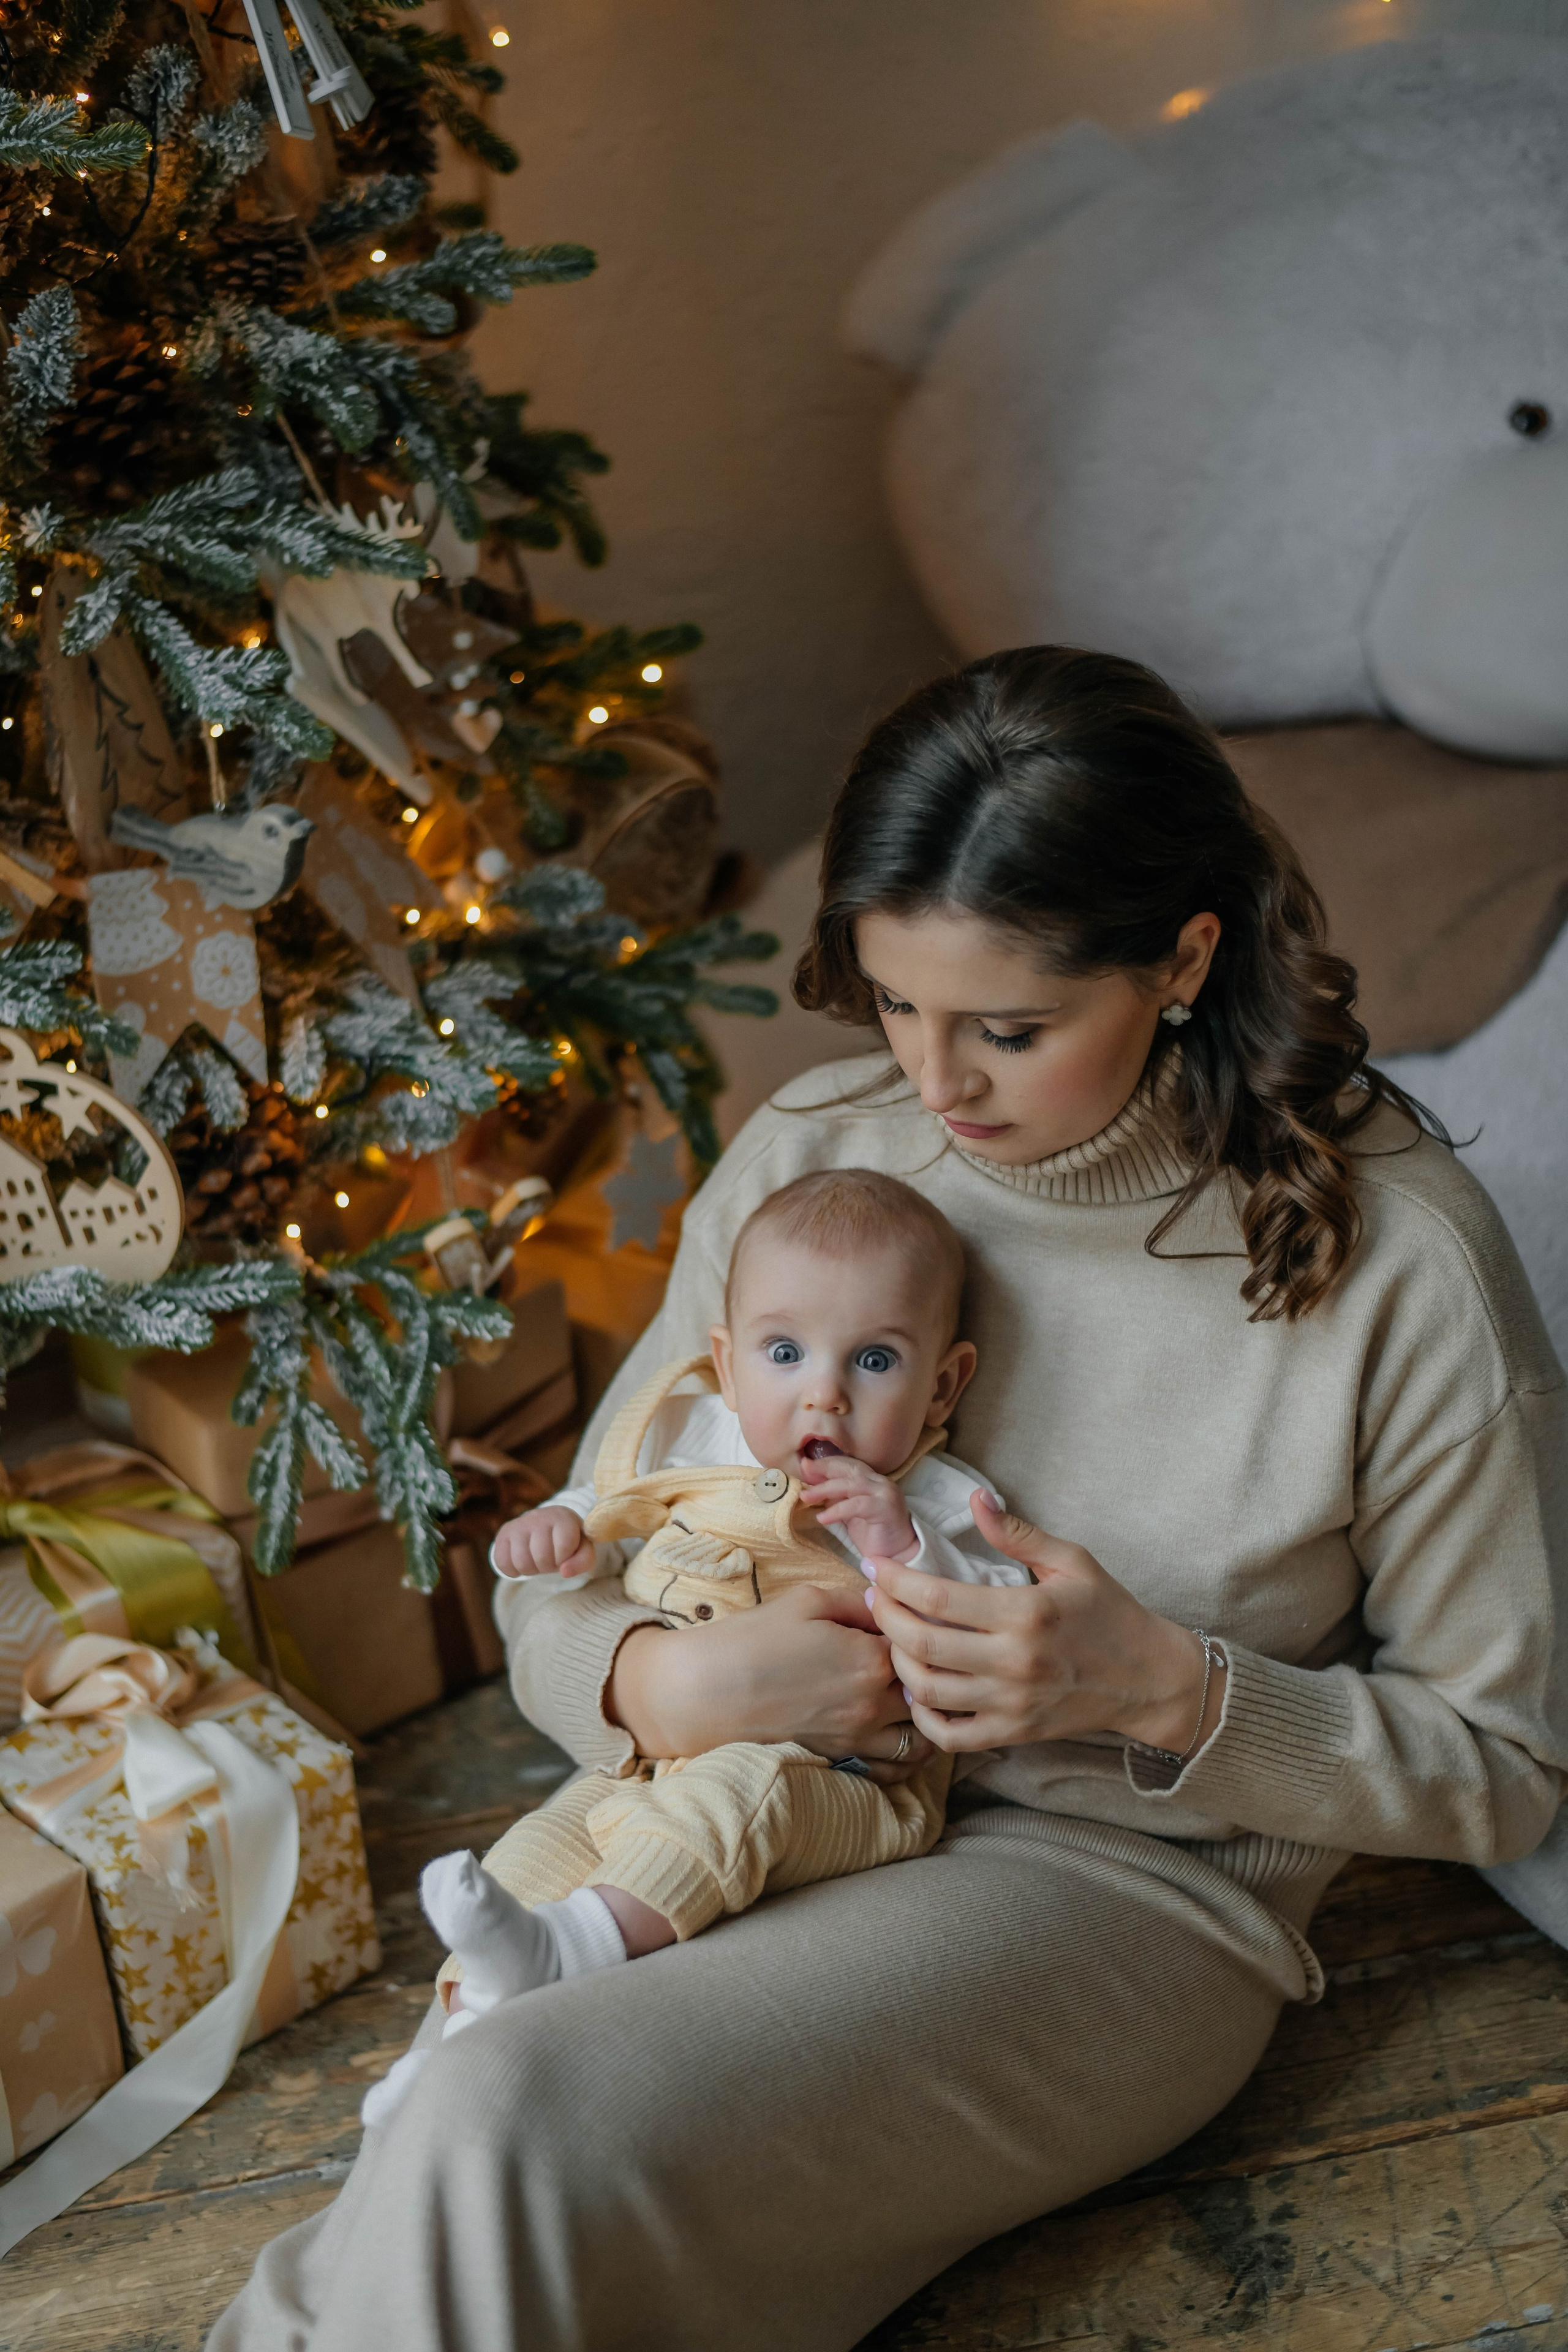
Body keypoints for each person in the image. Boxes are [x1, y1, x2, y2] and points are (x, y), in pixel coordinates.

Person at [209, 646, 1568, 2352]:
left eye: (1008, 1027)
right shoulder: (807, 1165)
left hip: (1111, 1893)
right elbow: (584, 1560)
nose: (935, 1087)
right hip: (733, 1806)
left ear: (1185, 959)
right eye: (893, 1004)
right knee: (462, 2145)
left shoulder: (1403, 1264)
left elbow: (1509, 1768)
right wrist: (661, 1683)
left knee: (491, 2123)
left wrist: (1164, 1690)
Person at [366, 1170, 1026, 2122]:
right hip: (660, 1758)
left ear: (942, 1385)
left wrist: (896, 1546)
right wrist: (558, 1533)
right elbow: (609, 1516)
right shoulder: (692, 1440)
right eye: (786, 1352)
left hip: (846, 1784)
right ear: (727, 1361)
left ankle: (570, 1954)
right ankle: (455, 2053)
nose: (823, 1399)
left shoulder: (937, 1499)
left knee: (739, 1795)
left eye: (875, 1362)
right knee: (549, 1842)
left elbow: (1001, 1626)